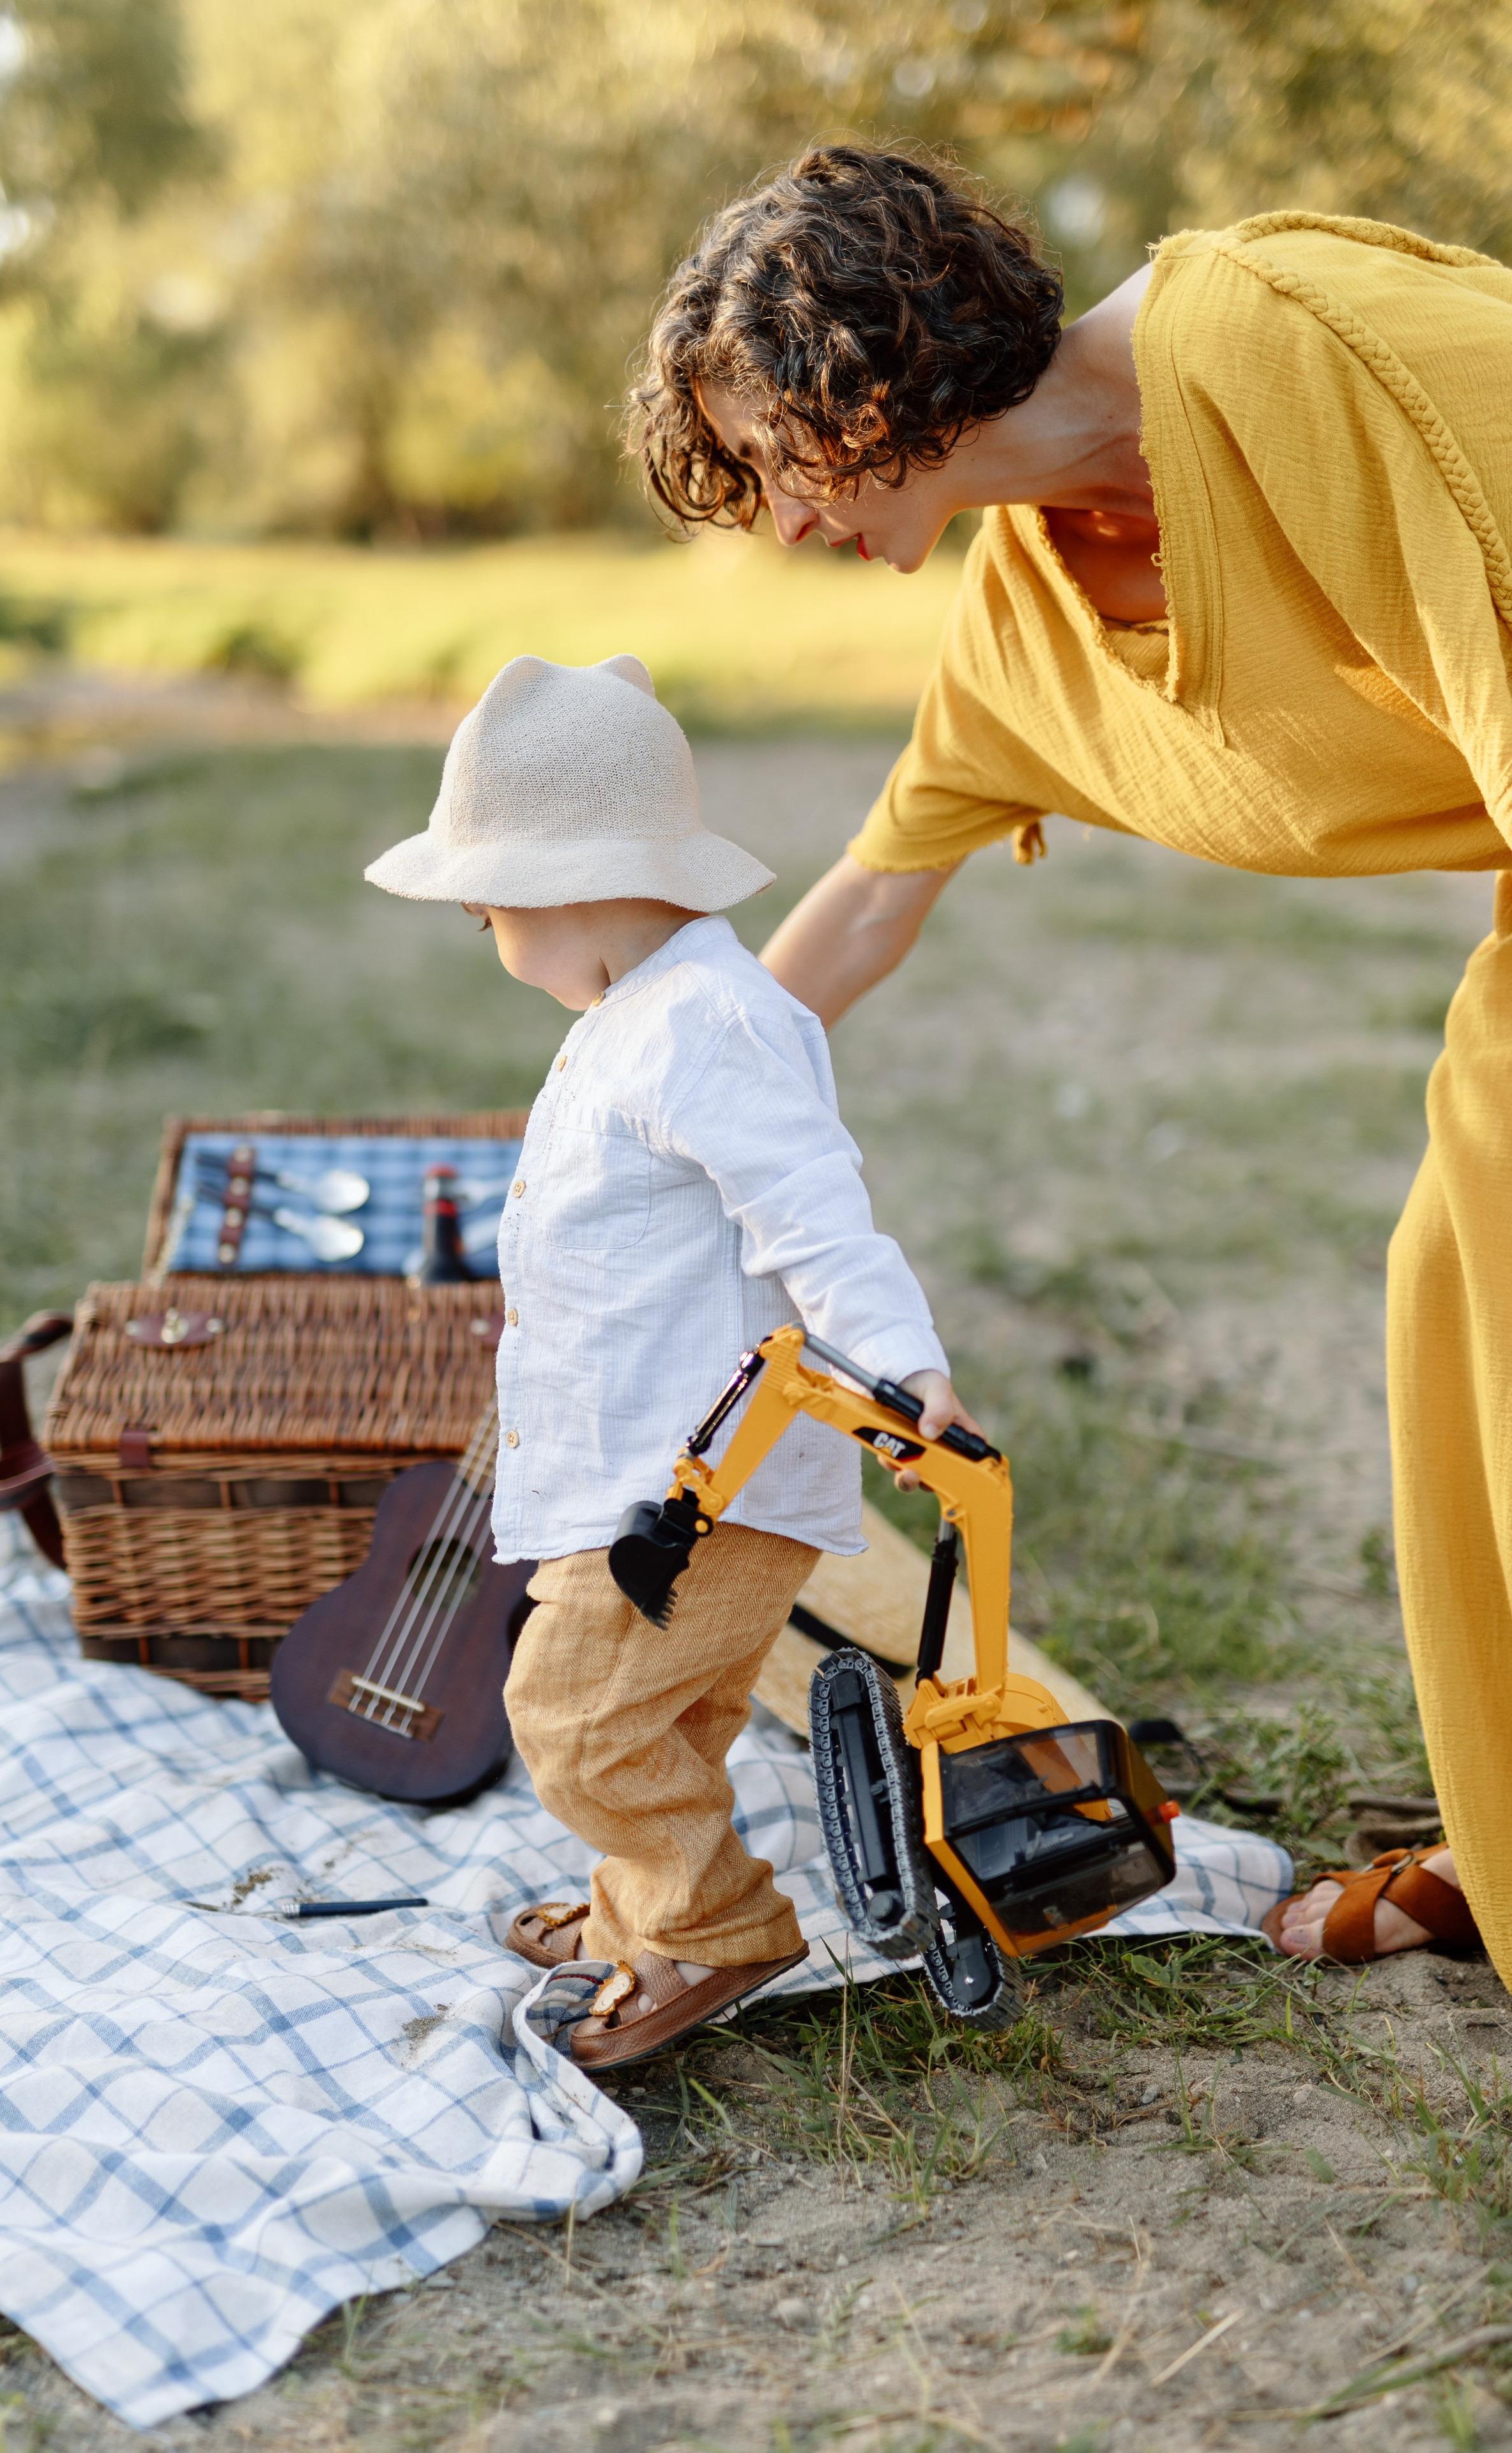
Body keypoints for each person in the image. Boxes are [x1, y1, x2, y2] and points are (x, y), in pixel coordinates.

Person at [627, 142, 1512, 1977]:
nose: (783, 526)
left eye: (781, 465)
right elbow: (864, 911)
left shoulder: (1284, 344)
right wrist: (635, 1139)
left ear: (871, 381)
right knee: (1454, 1283)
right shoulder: (1032, 621)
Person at [365, 650, 977, 2067]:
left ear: (573, 889)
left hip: (710, 1478)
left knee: (571, 1713)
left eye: (485, 913)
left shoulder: (710, 1024)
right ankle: (638, 1902)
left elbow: (818, 1217)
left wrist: (901, 1368)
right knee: (668, 1716)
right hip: (647, 1465)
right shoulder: (635, 1015)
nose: (485, 932)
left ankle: (710, 1928)